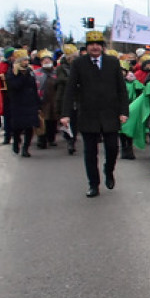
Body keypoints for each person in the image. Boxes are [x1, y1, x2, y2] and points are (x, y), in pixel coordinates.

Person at [59, 30, 130, 197]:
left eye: (98, 44)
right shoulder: (79, 64)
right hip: (88, 114)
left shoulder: (112, 62)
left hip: (110, 113)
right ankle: (93, 184)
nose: (95, 47)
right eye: (92, 44)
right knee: (90, 152)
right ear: (87, 47)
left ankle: (109, 170)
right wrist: (65, 113)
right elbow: (69, 90)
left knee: (112, 148)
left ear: (103, 47)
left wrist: (123, 111)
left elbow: (122, 90)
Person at [6, 50, 41, 157]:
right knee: (18, 127)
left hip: (30, 103)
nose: (27, 62)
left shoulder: (29, 71)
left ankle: (26, 148)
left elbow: (34, 87)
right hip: (18, 103)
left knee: (29, 127)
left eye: (27, 59)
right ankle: (16, 142)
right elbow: (15, 86)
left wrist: (38, 103)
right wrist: (24, 76)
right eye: (24, 60)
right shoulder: (12, 72)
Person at [34, 50, 59, 149]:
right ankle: (41, 139)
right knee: (42, 121)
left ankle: (51, 138)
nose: (46, 62)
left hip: (54, 99)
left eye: (48, 60)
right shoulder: (37, 73)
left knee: (53, 120)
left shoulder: (56, 72)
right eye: (44, 60)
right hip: (42, 100)